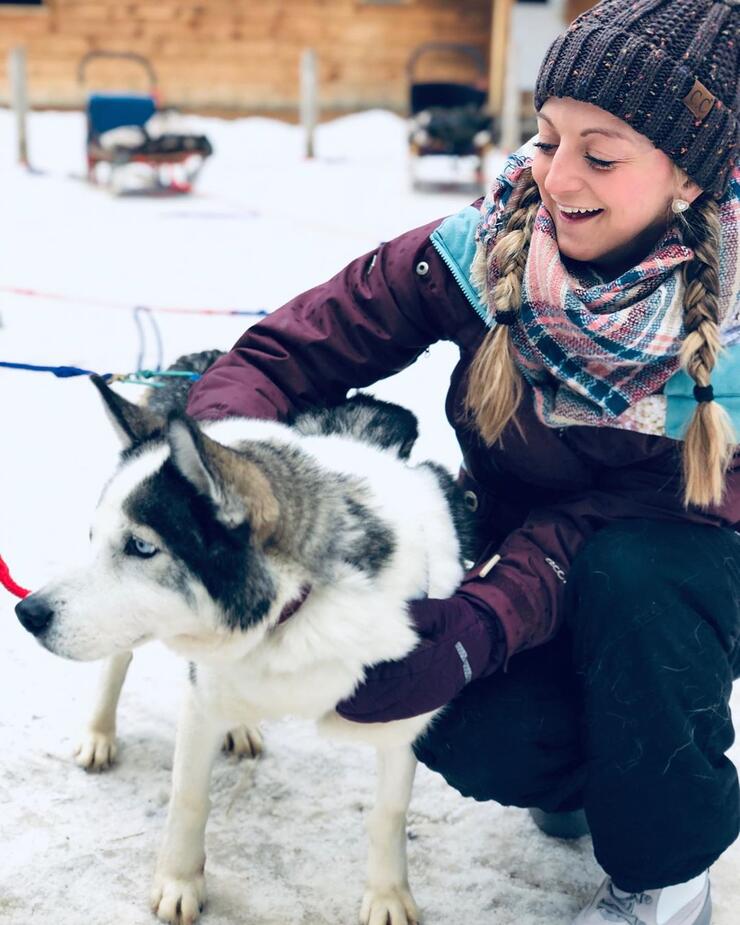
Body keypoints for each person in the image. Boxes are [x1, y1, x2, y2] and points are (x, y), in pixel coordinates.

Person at [186, 1, 740, 922]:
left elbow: (638, 514)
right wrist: (225, 460)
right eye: (548, 135)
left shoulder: (726, 341)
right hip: (530, 555)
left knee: (634, 578)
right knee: (465, 724)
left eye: (601, 155)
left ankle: (666, 867)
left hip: (670, 574)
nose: (555, 176)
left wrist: (478, 623)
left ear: (690, 177)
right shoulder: (484, 251)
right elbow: (296, 349)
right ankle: (590, 776)